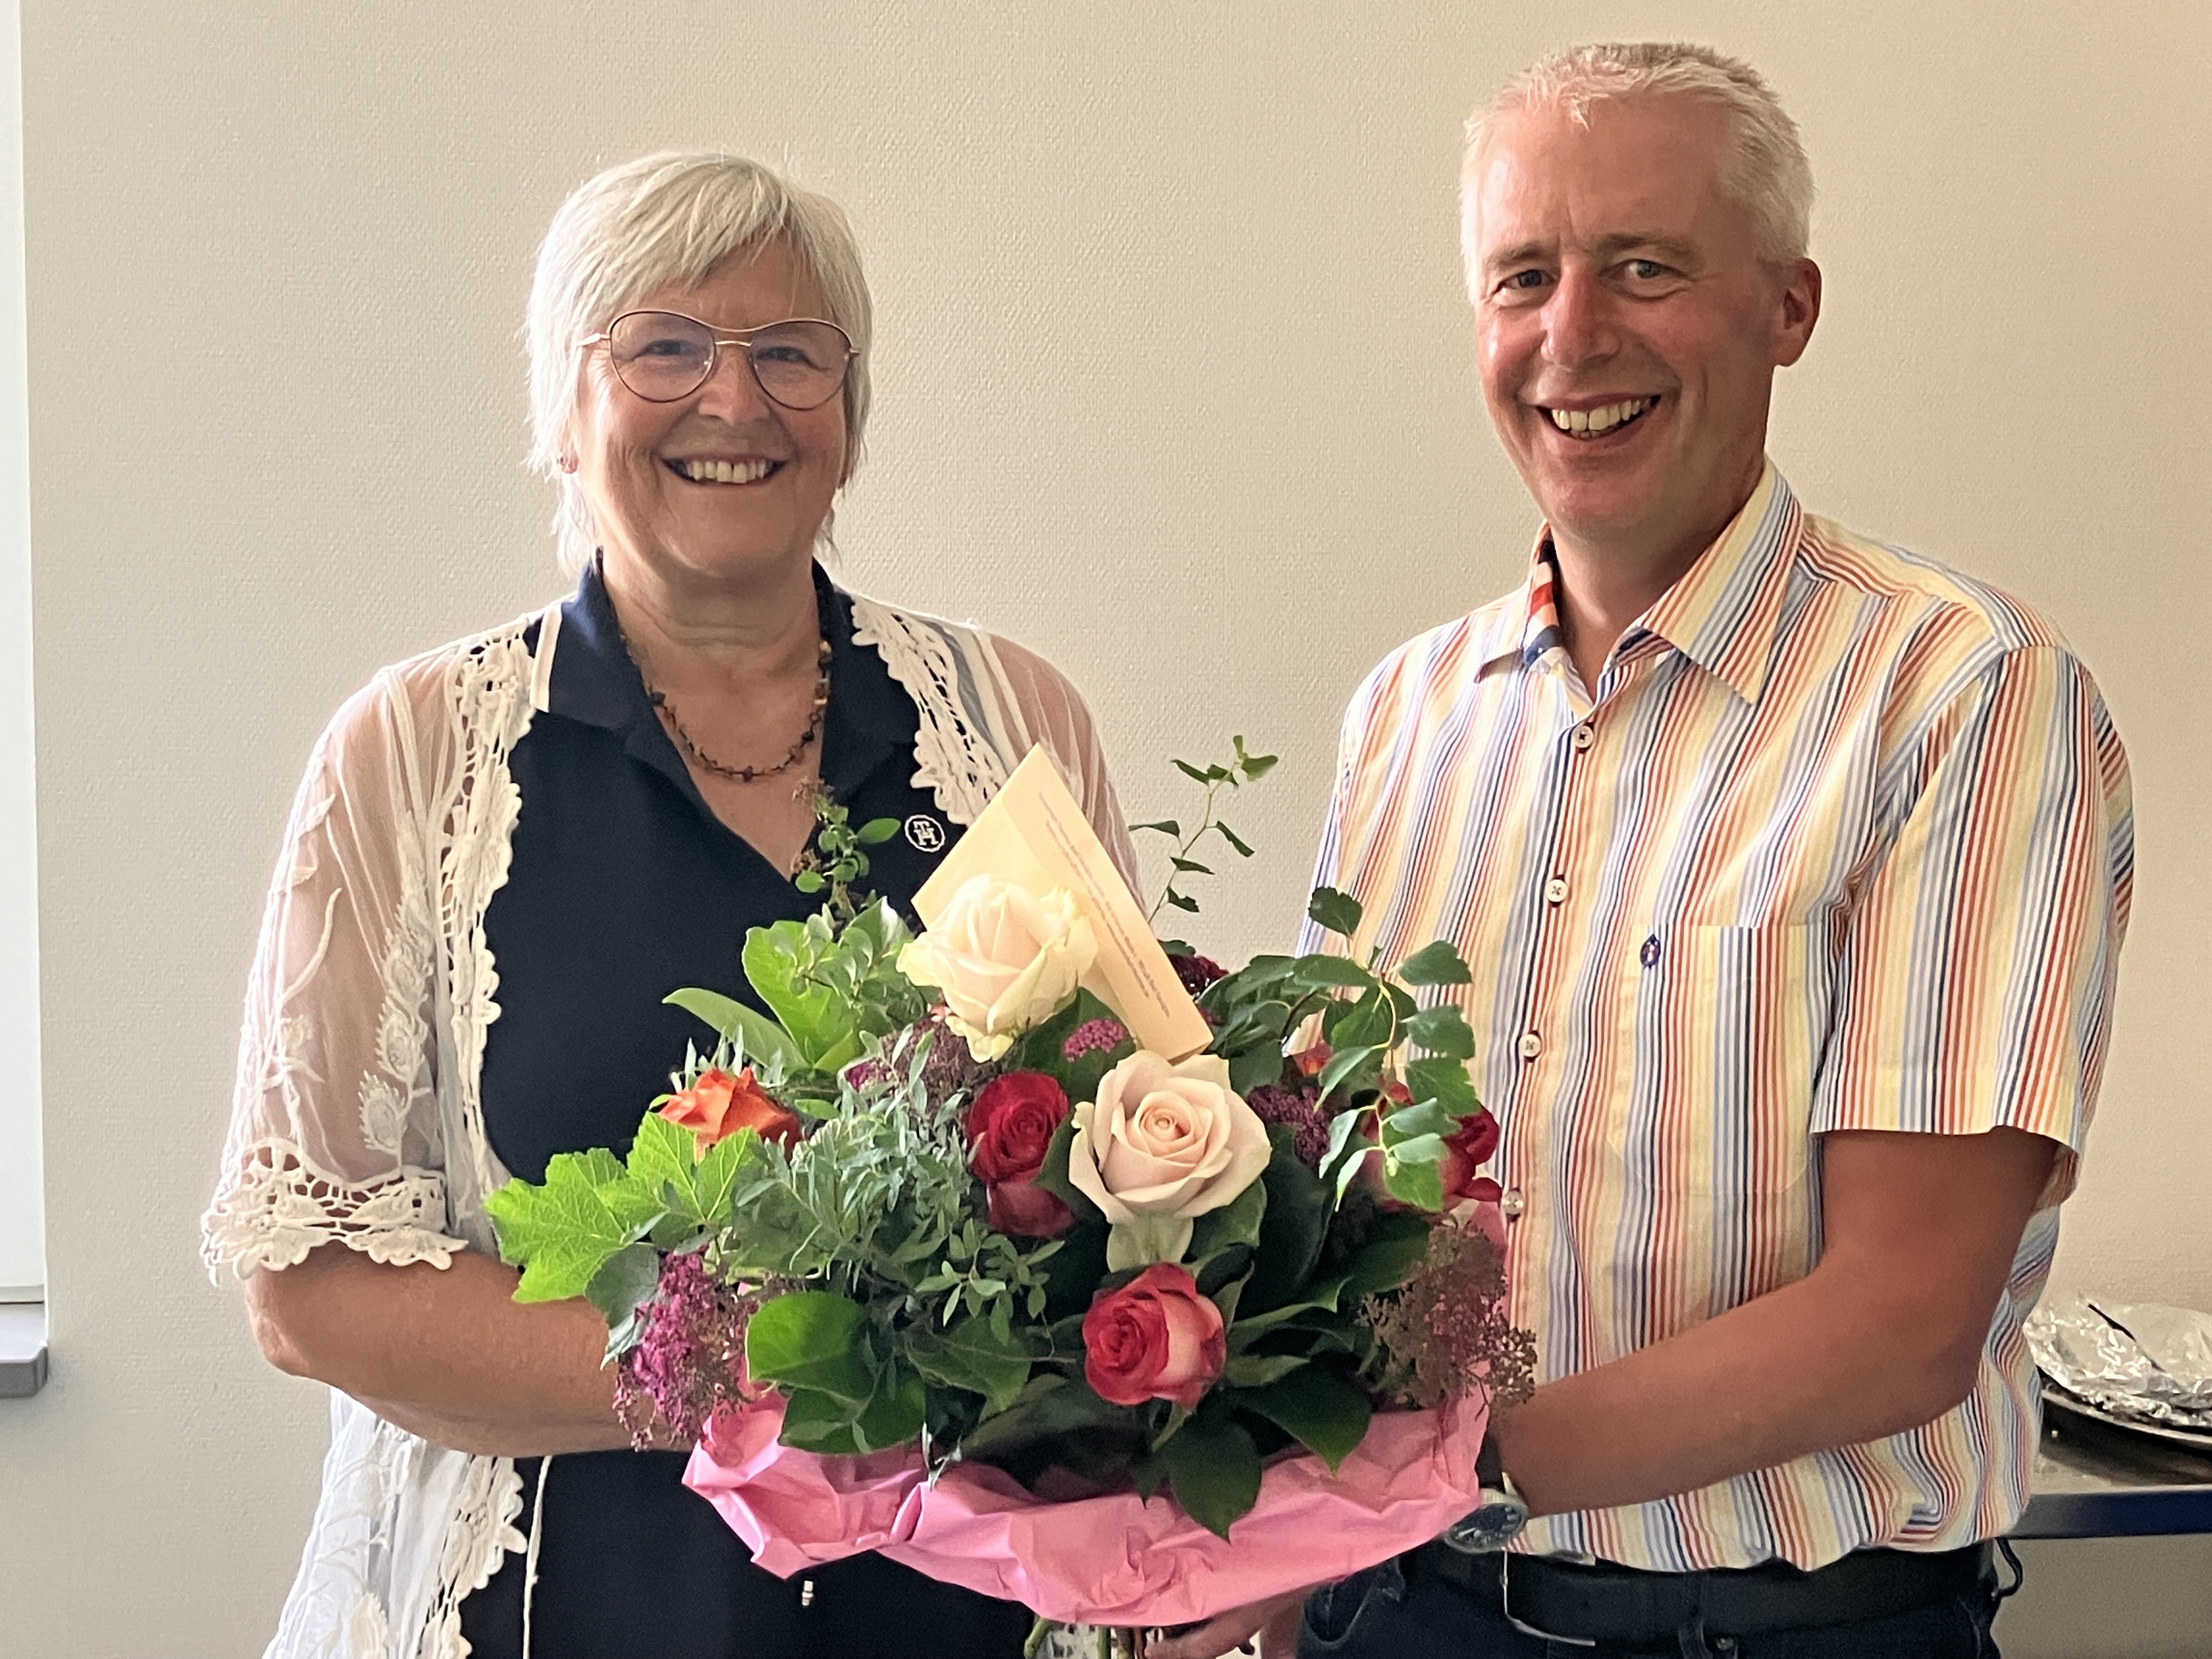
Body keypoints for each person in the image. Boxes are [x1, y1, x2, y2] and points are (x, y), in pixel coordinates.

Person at [1157, 42, 2133, 1659]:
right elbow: (1353, 1214)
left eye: (1644, 269)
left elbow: (1901, 1324)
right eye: (1522, 277)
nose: (1572, 336)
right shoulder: (1406, 714)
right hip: (1397, 1614)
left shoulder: (1960, 694)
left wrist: (1411, 1481)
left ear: (1788, 307)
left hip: (1780, 1635)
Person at [202, 150, 1139, 1659]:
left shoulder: (1011, 721)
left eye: (792, 354)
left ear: (849, 416)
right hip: (557, 1612)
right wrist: (763, 1370)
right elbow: (306, 1287)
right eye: (665, 348)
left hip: (968, 1618)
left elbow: (1134, 1173)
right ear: (563, 414)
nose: (735, 400)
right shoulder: (415, 758)